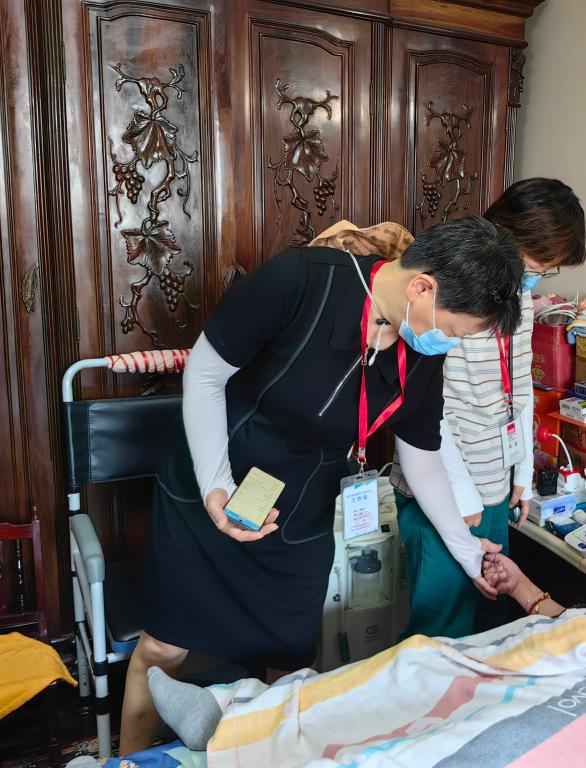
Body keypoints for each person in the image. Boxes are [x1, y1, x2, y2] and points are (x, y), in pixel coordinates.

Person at [118, 216, 523, 754]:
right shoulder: (301, 280)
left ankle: (259, 754)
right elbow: (206, 374)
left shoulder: (422, 350)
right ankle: (125, 762)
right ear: (422, 288)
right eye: (452, 330)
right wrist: (216, 486)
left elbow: (422, 452)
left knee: (288, 662)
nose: (448, 343)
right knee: (164, 648)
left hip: (301, 508)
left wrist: (469, 552)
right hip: (214, 477)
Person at [390, 178, 586, 638]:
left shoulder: (520, 298)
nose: (537, 277)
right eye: (537, 265)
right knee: (443, 626)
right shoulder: (452, 293)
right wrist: (460, 494)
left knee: (491, 614)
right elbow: (422, 411)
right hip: (443, 489)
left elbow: (519, 385)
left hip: (496, 483)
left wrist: (521, 473)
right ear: (506, 237)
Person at [141, 551, 563, 752]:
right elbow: (575, 621)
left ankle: (235, 721)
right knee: (410, 663)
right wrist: (520, 585)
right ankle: (234, 708)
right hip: (545, 647)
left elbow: (585, 626)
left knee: (451, 728)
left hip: (560, 673)